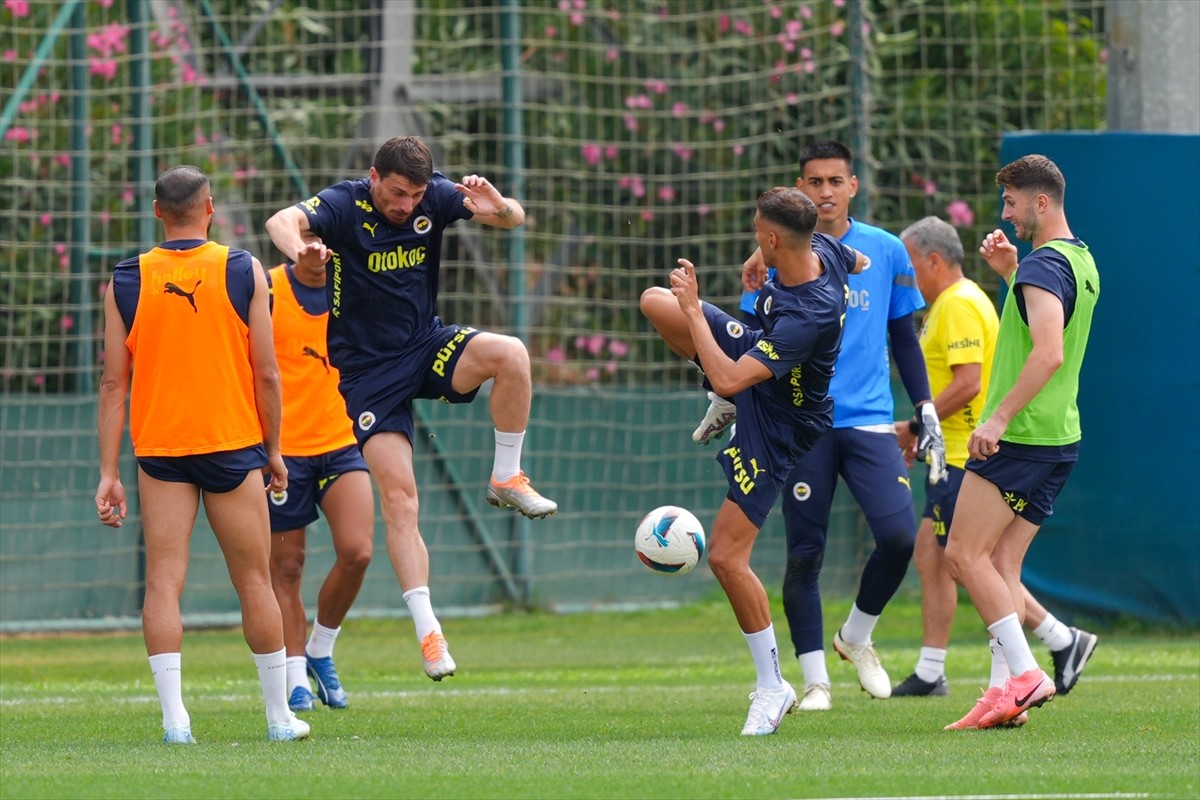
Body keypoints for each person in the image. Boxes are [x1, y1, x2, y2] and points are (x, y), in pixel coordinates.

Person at [264, 136, 556, 682]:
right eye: (398, 193)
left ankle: (506, 476)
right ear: (375, 177)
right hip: (367, 376)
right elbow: (280, 220)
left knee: (512, 354)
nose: (407, 205)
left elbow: (513, 219)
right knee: (401, 500)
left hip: (424, 345)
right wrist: (299, 249)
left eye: (416, 196)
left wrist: (500, 206)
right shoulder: (344, 204)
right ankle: (429, 633)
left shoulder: (434, 197)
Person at [694, 141, 946, 710]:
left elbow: (904, 336)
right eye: (815, 181)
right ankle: (815, 682)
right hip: (798, 420)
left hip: (869, 418)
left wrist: (925, 406)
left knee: (899, 537)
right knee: (805, 550)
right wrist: (739, 399)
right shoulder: (775, 253)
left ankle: (856, 636)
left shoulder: (885, 250)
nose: (826, 191)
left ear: (853, 185)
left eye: (836, 180)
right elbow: (753, 337)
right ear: (800, 191)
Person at [95, 165, 310, 743]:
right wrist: (275, 450)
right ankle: (278, 719)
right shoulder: (242, 269)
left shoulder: (126, 279)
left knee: (163, 583)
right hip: (231, 444)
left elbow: (113, 384)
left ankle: (175, 722)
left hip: (160, 451)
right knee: (255, 582)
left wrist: (109, 472)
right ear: (210, 208)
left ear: (157, 212)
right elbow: (267, 372)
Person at [642, 187, 866, 735]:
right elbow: (857, 259)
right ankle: (731, 404)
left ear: (772, 238)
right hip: (758, 369)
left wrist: (696, 309)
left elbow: (727, 375)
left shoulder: (807, 316)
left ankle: (773, 686)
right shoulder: (824, 249)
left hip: (781, 425)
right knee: (654, 301)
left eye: (756, 234)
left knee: (725, 556)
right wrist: (758, 257)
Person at [889, 216, 1098, 701]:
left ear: (933, 261)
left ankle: (1036, 657)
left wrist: (924, 425)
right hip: (1002, 440)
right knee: (953, 558)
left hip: (982, 445)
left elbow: (973, 382)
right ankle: (981, 677)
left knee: (966, 558)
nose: (906, 277)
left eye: (909, 265)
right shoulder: (1069, 262)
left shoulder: (961, 302)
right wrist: (1011, 272)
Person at [943, 154, 1100, 730]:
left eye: (1011, 203)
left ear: (1041, 201)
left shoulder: (1044, 265)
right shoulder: (1079, 260)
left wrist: (997, 419)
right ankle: (1001, 694)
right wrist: (1012, 274)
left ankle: (1027, 675)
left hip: (1022, 435)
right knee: (1001, 563)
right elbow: (1047, 326)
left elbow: (1048, 352)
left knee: (962, 555)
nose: (1005, 214)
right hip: (1060, 437)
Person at [265, 237, 375, 713]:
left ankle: (320, 649)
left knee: (358, 552)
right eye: (307, 237)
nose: (317, 249)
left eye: (326, 239)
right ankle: (294, 677)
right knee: (287, 567)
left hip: (341, 442)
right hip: (282, 453)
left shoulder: (357, 288)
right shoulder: (266, 290)